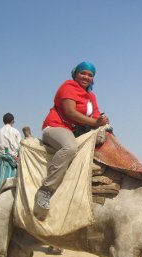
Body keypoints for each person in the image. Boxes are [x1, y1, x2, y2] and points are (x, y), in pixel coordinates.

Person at [34, 61, 109, 220]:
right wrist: (95, 123)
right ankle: (45, 190)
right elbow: (70, 113)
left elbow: (95, 115)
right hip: (57, 127)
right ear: (75, 74)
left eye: (90, 75)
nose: (86, 77)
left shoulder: (91, 96)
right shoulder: (67, 87)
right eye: (83, 73)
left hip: (77, 131)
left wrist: (102, 121)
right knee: (70, 148)